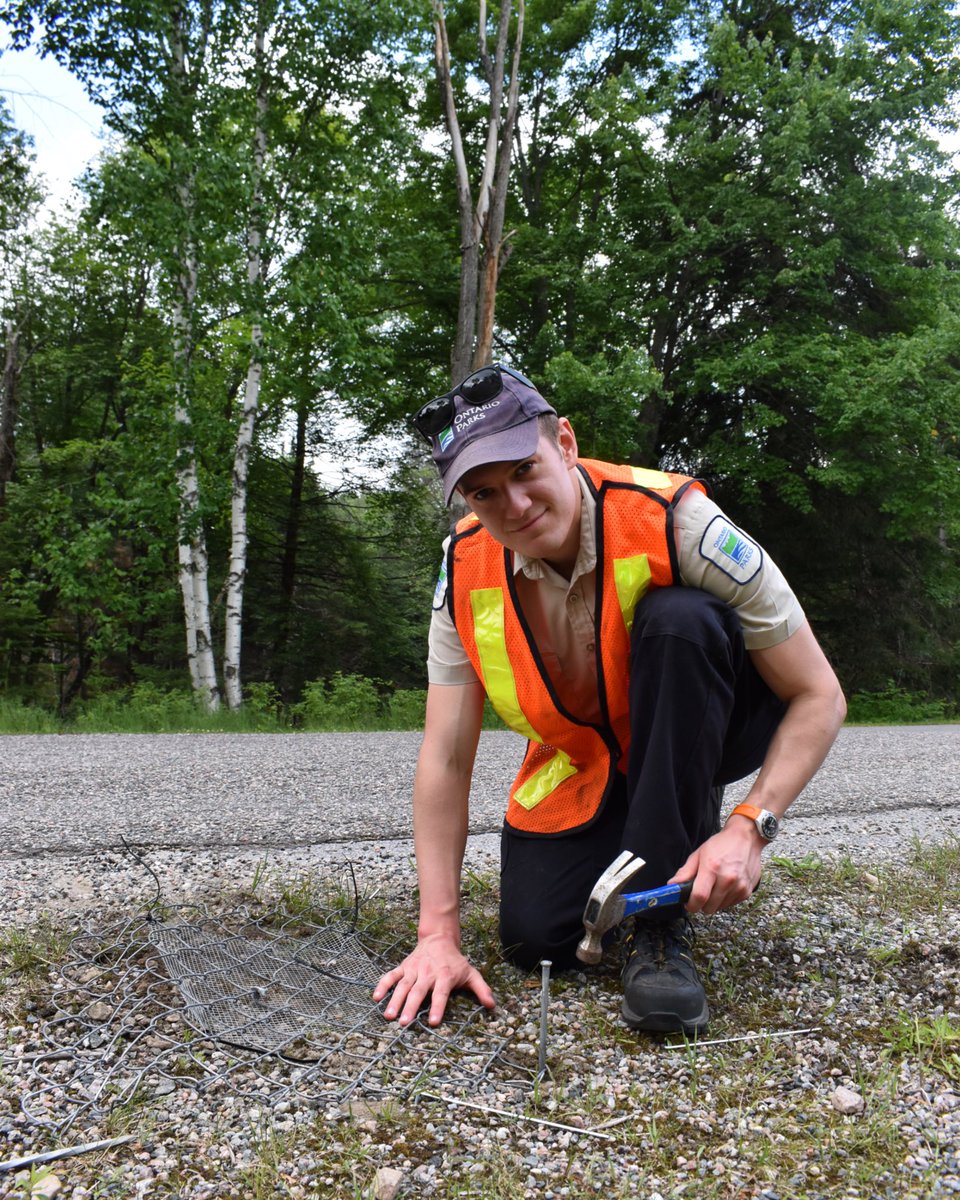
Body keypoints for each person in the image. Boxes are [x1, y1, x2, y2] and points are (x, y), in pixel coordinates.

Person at [373, 362, 846, 1035]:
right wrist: (437, 934)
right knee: (536, 940)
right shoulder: (464, 569)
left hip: (705, 717)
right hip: (588, 757)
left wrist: (750, 828)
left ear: (564, 444)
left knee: (681, 619)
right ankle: (652, 824)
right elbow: (445, 756)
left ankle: (659, 930)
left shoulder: (674, 519)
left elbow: (818, 695)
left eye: (523, 470)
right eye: (484, 493)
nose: (514, 505)